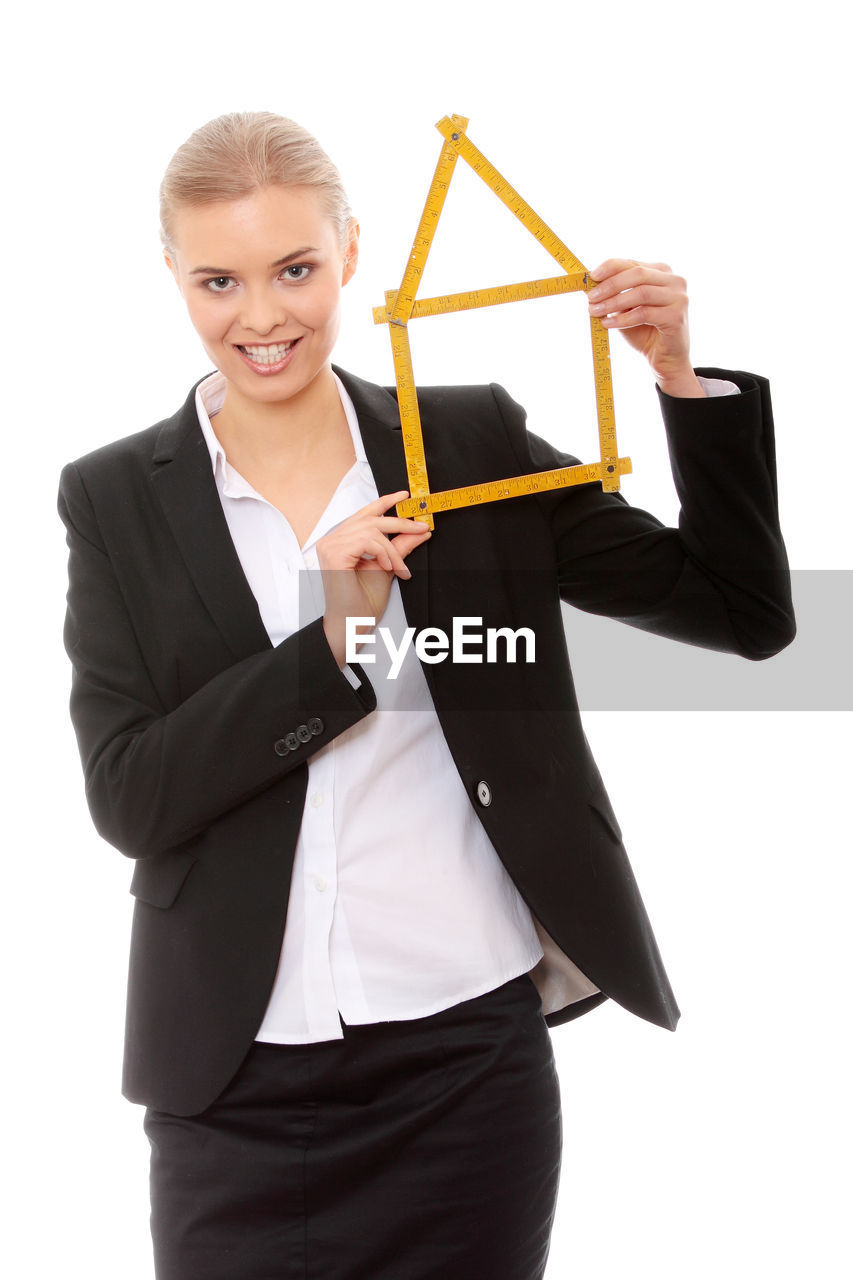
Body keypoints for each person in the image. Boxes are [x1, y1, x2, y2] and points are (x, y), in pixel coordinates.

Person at [58, 111, 795, 1280]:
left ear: (353, 251)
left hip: (465, 1068)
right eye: (219, 279)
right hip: (231, 1082)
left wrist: (677, 374)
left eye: (296, 268)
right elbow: (130, 798)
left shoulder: (466, 445)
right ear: (172, 276)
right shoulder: (113, 497)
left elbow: (742, 615)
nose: (262, 316)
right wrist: (333, 635)